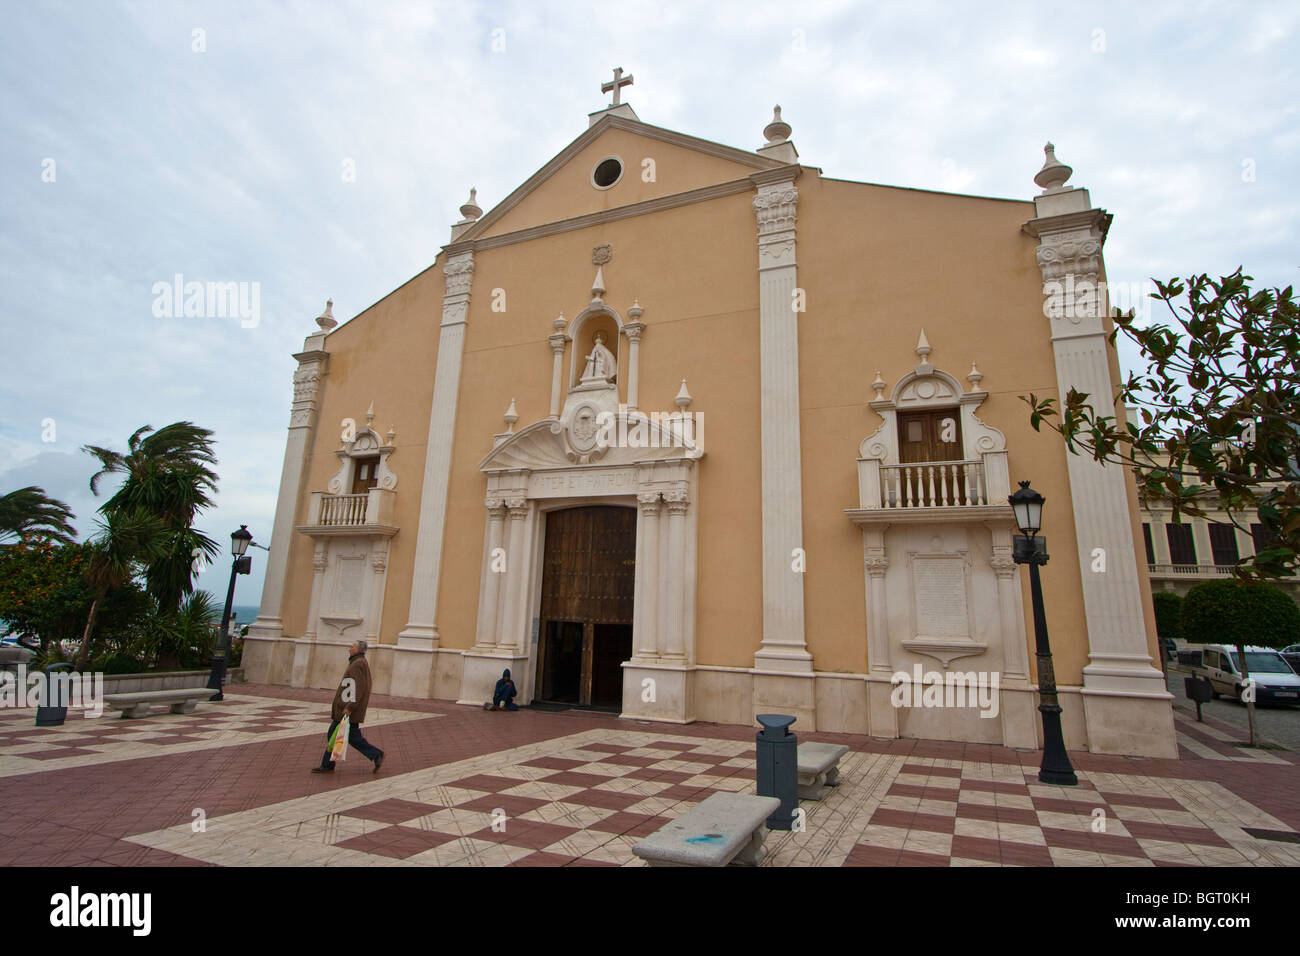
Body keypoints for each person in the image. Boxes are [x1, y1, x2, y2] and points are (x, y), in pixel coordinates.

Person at [312, 639, 384, 773]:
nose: (349, 649)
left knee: (338, 734)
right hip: (347, 708)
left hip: (348, 709)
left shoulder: (358, 664)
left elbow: (358, 688)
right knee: (347, 736)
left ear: (358, 649)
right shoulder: (358, 662)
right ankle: (329, 764)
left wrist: (350, 707)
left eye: (352, 647)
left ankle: (328, 765)